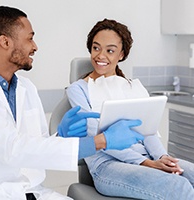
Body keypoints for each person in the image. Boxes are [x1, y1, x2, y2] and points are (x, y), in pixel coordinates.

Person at [0, 7, 145, 200]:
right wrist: (102, 141)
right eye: (29, 38)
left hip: (34, 192)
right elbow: (13, 148)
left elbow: (37, 148)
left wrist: (60, 137)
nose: (35, 46)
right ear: (5, 41)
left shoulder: (26, 88)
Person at [66, 18, 194, 199]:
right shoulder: (78, 89)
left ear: (121, 54)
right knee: (177, 187)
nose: (100, 56)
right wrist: (144, 162)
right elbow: (97, 136)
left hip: (146, 157)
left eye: (110, 50)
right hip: (108, 165)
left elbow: (148, 131)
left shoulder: (132, 87)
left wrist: (161, 157)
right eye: (96, 48)